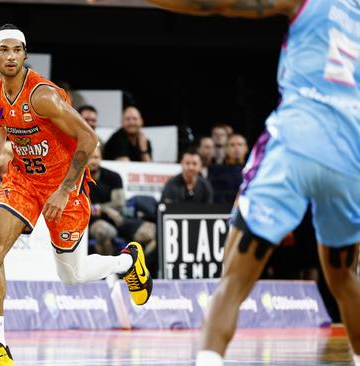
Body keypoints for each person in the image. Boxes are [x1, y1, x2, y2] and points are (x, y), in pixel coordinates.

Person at [144, 1, 360, 366]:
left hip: (295, 146)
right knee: (343, 276)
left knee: (233, 281)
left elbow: (216, 4)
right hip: (349, 158)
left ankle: (210, 359)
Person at [0, 24, 152, 365]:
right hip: (23, 180)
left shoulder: (42, 96)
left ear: (24, 54)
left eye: (16, 50)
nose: (10, 56)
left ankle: (127, 263)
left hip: (65, 183)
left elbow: (89, 140)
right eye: (3, 50)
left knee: (72, 275)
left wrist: (65, 191)